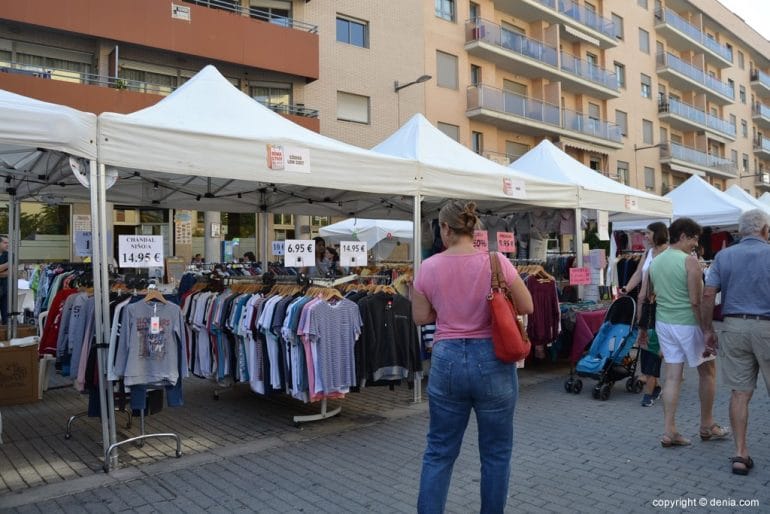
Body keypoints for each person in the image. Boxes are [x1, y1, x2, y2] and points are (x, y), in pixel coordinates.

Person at [411, 200, 533, 513]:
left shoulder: (428, 267)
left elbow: (420, 317)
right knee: (495, 453)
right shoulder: (496, 262)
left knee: (439, 451)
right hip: (492, 358)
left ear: (446, 229)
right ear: (473, 228)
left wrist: (447, 306)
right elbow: (527, 305)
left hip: (448, 358)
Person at [648, 217, 728, 447]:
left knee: (673, 375)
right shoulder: (689, 262)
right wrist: (706, 330)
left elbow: (651, 294)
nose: (696, 243)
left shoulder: (656, 261)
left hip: (664, 322)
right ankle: (707, 424)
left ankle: (669, 431)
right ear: (682, 235)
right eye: (694, 238)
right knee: (708, 372)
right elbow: (695, 301)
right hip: (688, 323)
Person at [701, 209, 770, 475]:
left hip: (734, 326)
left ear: (741, 231)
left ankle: (740, 453)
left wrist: (708, 329)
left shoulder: (724, 255)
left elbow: (709, 295)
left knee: (739, 393)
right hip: (767, 327)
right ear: (765, 230)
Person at [622, 222, 668, 407]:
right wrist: (627, 288)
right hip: (646, 305)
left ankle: (650, 387)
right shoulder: (648, 253)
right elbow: (638, 274)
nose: (645, 237)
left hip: (661, 305)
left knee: (653, 345)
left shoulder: (668, 254)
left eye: (648, 233)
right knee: (646, 343)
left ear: (658, 234)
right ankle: (653, 384)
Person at [0, 235, 8, 325]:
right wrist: (8, 264)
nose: (7, 245)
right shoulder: (10, 258)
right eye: (5, 242)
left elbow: (12, 273)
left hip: (6, 290)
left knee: (6, 317)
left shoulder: (10, 255)